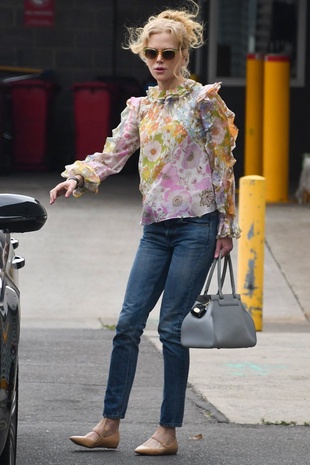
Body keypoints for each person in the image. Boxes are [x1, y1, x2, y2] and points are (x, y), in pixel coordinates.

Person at [49, 1, 241, 456]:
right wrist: (77, 176)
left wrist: (227, 225)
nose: (159, 61)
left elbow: (223, 166)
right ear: (143, 54)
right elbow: (112, 154)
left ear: (184, 55)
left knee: (171, 329)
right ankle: (109, 424)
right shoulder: (140, 108)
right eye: (152, 53)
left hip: (197, 225)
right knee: (128, 324)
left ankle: (167, 432)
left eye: (168, 54)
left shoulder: (203, 101)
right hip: (156, 228)